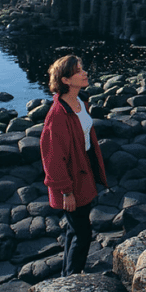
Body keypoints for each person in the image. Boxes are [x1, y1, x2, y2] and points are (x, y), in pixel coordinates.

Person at [40, 55, 108, 277]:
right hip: (71, 179)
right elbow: (52, 159)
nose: (85, 73)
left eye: (82, 68)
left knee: (75, 228)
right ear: (66, 80)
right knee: (83, 232)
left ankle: (67, 276)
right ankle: (73, 279)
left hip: (83, 169)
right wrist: (66, 192)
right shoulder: (57, 115)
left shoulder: (80, 101)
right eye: (79, 71)